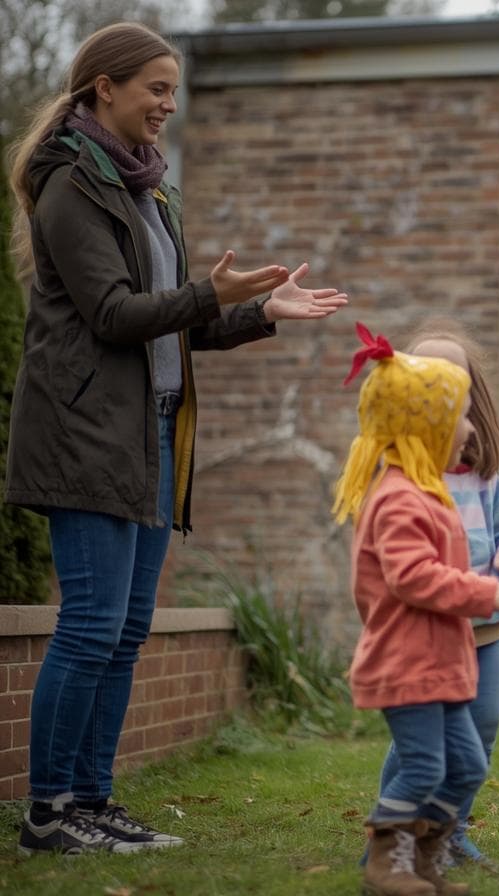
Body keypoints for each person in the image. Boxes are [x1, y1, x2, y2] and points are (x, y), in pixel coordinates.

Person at [6, 22, 347, 856]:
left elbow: (171, 327)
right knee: (90, 623)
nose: (168, 104)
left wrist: (257, 311)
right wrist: (208, 293)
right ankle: (49, 810)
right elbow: (113, 315)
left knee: (126, 630)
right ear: (105, 88)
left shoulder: (149, 190)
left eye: (174, 90)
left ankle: (94, 800)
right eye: (156, 88)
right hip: (85, 432)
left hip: (153, 433)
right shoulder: (71, 182)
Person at [331, 324, 499, 896]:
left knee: (468, 765)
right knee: (424, 765)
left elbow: (489, 536)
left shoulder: (432, 489)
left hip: (444, 654)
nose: (470, 428)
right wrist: (487, 592)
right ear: (426, 425)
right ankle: (387, 858)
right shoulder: (399, 497)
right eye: (459, 415)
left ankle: (427, 853)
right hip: (408, 658)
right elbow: (411, 575)